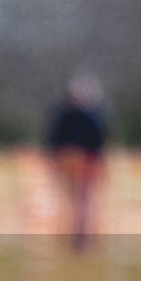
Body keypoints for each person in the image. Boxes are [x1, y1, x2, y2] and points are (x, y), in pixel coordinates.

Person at [46, 75, 107, 250]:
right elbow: (55, 141)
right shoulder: (64, 117)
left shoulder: (92, 117)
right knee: (71, 202)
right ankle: (71, 236)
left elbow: (98, 143)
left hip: (87, 165)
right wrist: (55, 162)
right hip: (68, 164)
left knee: (85, 203)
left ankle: (83, 237)